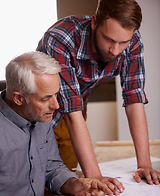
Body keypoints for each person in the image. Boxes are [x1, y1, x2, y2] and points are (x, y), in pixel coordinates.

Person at [37, 0, 160, 185]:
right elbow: (70, 107)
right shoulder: (61, 37)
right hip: (38, 117)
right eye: (109, 39)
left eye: (123, 42)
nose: (115, 50)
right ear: (94, 22)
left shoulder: (132, 40)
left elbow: (134, 97)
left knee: (65, 180)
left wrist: (144, 164)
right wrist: (94, 176)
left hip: (74, 117)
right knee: (38, 181)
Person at [0, 51, 121, 196]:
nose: (56, 106)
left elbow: (51, 167)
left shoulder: (41, 117)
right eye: (45, 98)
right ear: (18, 98)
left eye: (56, 95)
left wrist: (76, 185)